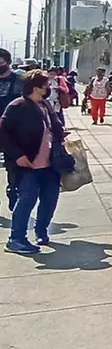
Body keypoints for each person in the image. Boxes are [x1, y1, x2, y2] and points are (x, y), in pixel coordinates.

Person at [0, 70, 65, 254]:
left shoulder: (45, 105)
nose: (49, 87)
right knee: (27, 200)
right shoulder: (18, 106)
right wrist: (18, 155)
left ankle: (41, 232)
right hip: (28, 164)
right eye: (46, 85)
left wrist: (59, 135)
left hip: (51, 163)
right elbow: (3, 134)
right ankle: (16, 239)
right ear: (36, 88)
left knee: (50, 198)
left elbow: (55, 126)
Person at [0, 49, 25, 211]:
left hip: (12, 130)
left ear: (8, 62)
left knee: (14, 165)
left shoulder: (19, 80)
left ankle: (13, 190)